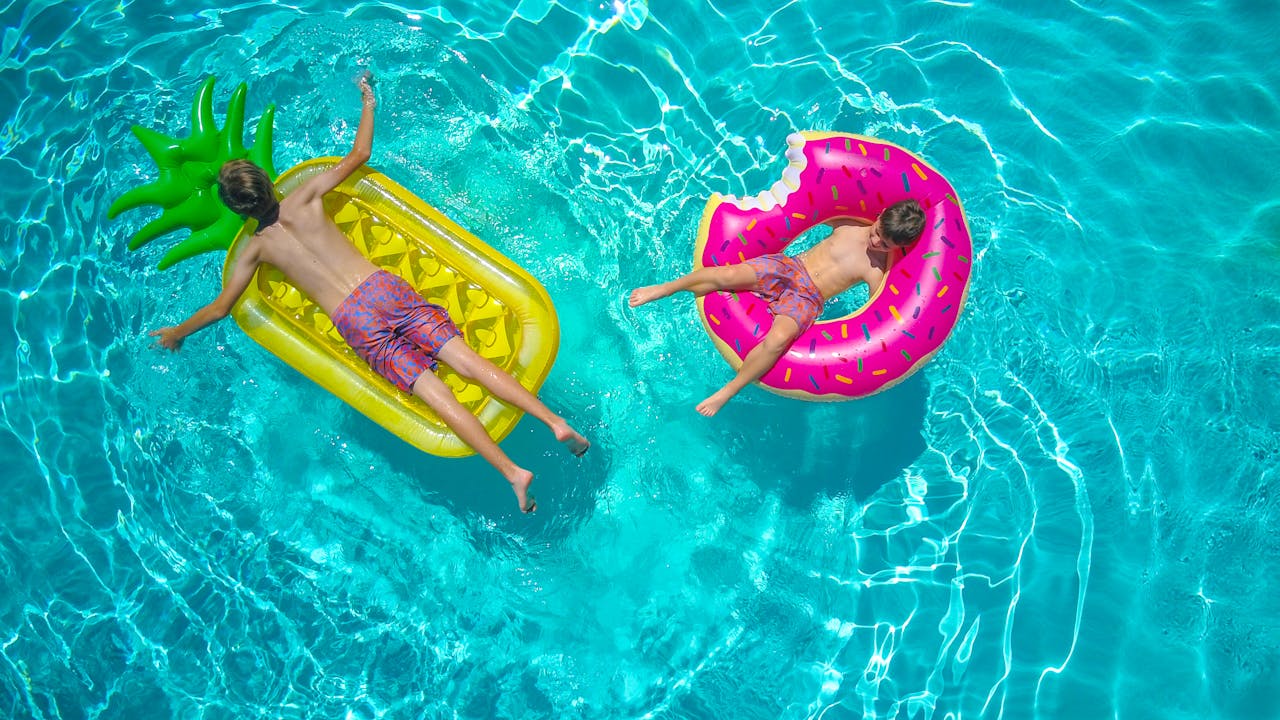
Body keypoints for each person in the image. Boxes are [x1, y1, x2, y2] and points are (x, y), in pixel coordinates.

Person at [150, 74, 588, 513]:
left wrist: (178, 331)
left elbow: (222, 307)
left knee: (438, 398)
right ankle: (554, 421)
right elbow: (361, 154)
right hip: (380, 289)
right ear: (267, 181)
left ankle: (513, 473)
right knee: (469, 363)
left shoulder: (257, 248)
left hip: (353, 320)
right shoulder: (305, 196)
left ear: (236, 210)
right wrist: (368, 100)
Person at [629, 200, 926, 416]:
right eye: (877, 231)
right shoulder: (848, 223)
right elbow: (807, 210)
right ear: (880, 214)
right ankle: (664, 288)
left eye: (885, 244)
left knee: (778, 340)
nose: (876, 242)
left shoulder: (877, 270)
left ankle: (729, 391)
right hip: (789, 266)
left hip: (808, 299)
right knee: (727, 275)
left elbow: (880, 316)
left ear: (898, 249)